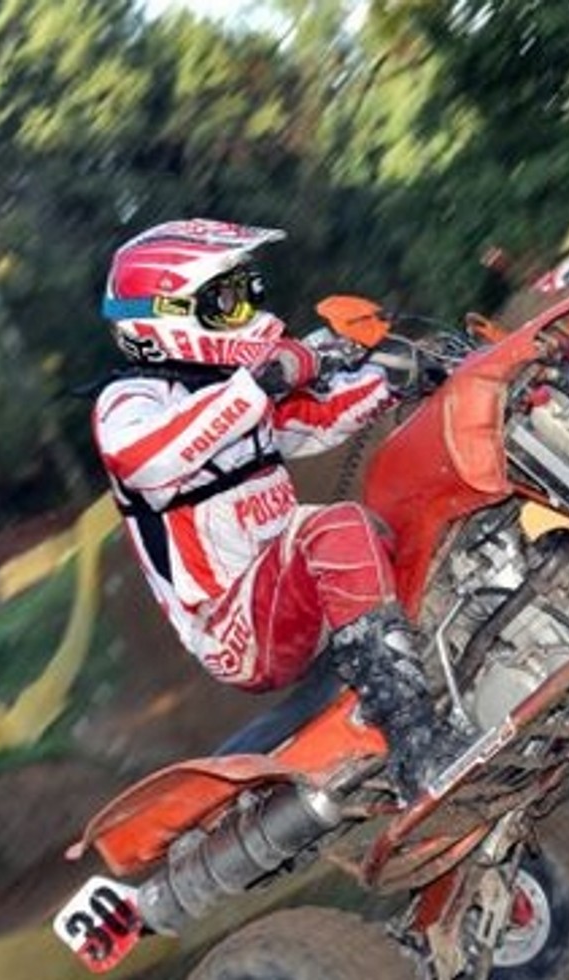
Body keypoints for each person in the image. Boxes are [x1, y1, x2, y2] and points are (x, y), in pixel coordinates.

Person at [93, 218, 465, 797]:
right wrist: (262, 379)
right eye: (228, 300)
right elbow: (143, 460)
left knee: (401, 515)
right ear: (166, 316)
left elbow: (319, 417)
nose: (248, 310)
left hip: (294, 595)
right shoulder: (130, 402)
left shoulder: (228, 391)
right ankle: (416, 746)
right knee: (337, 528)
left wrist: (396, 376)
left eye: (249, 291)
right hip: (235, 629)